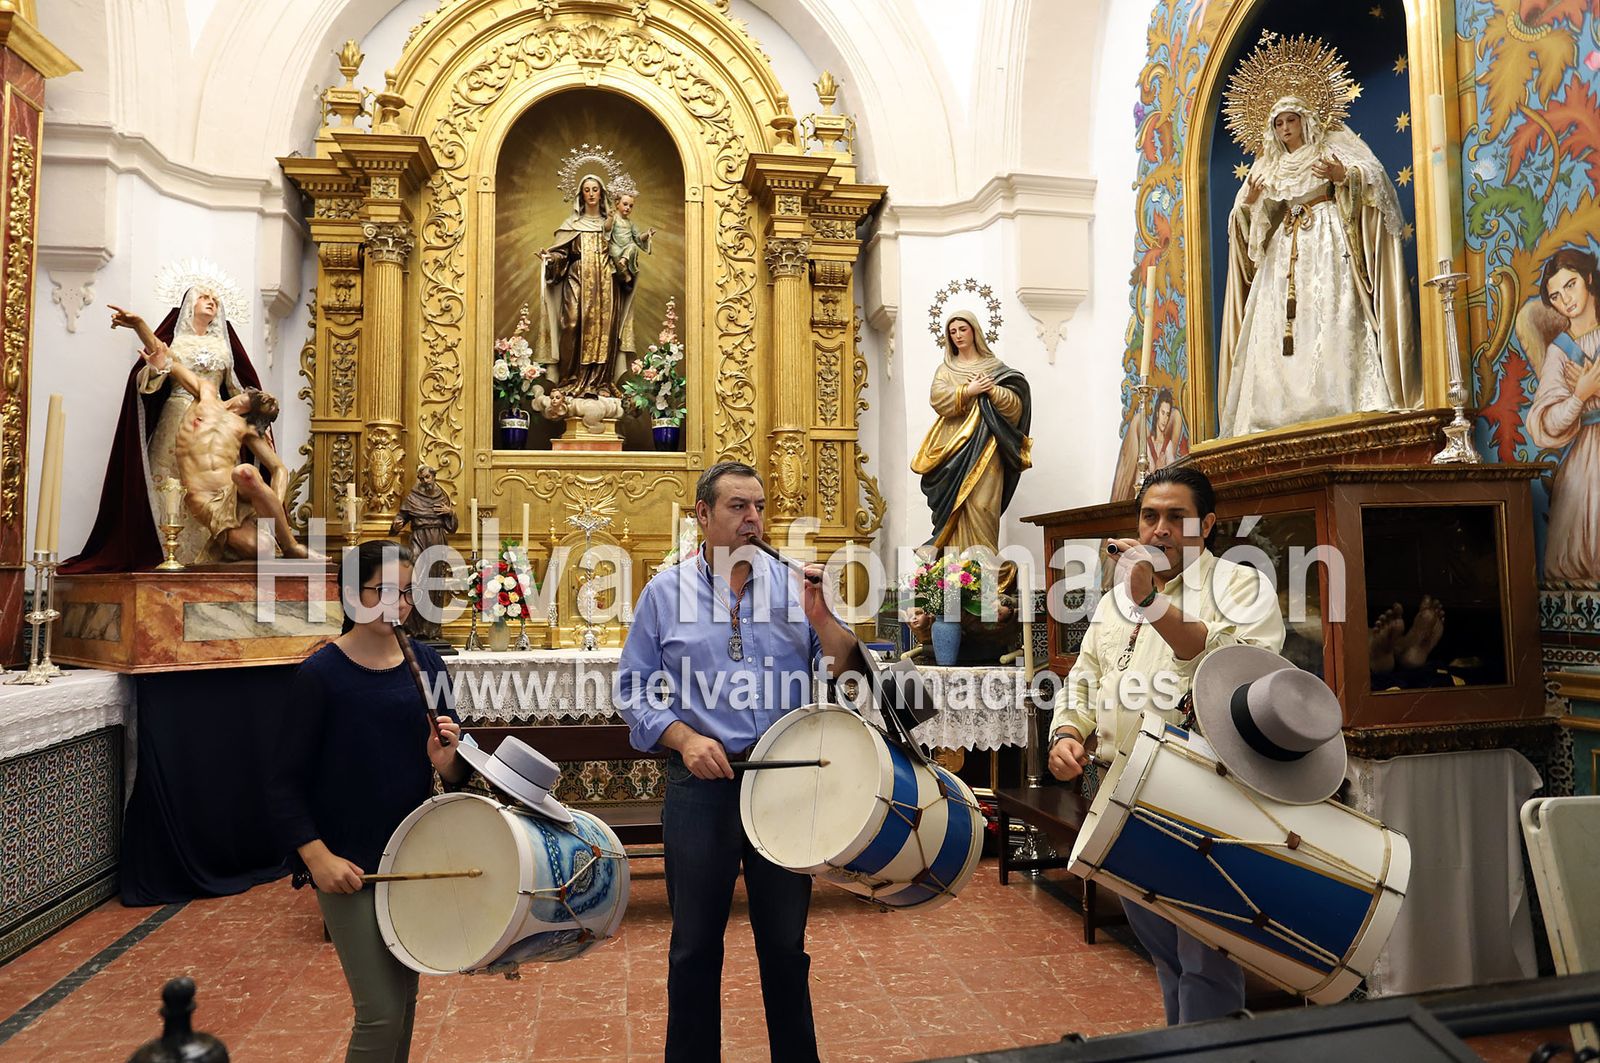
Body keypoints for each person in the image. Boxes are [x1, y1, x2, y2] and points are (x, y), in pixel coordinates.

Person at [614, 461, 864, 1063]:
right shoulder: (663, 593)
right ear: (702, 515)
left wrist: (823, 617)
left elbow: (849, 671)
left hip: (782, 786)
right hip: (701, 788)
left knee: (785, 945)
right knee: (695, 946)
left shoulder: (791, 587)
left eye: (758, 507)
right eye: (737, 507)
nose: (752, 518)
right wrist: (682, 739)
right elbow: (634, 688)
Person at [1048, 464, 1285, 1025]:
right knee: (1158, 943)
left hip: (1200, 793)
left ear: (1206, 525)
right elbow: (1084, 677)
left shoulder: (1239, 584)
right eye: (1149, 516)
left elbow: (1230, 670)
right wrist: (1066, 731)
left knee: (1204, 951)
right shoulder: (1114, 600)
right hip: (1120, 793)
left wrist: (1151, 599)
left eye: (1175, 517)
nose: (1159, 530)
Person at [265, 540, 468, 1062]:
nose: (397, 605)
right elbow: (281, 782)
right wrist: (318, 859)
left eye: (406, 594)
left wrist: (444, 756)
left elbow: (451, 768)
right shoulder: (320, 677)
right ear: (352, 594)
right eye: (384, 591)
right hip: (348, 864)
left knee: (404, 1005)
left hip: (409, 858)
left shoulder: (427, 665)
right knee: (379, 1013)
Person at [1217, 34, 1418, 437]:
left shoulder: (1333, 145)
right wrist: (1251, 202)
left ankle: (1337, 398)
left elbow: (1373, 179)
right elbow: (1243, 222)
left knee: (1329, 311)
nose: (1286, 128)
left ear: (1305, 120)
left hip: (1326, 238)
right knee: (1278, 329)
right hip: (1282, 251)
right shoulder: (1267, 164)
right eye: (1279, 123)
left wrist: (1343, 177)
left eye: (1291, 120)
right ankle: (1279, 409)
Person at [65, 286, 266, 571]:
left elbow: (237, 388)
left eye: (215, 300)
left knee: (215, 483)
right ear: (189, 304)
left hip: (214, 424)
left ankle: (215, 554)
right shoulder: (177, 342)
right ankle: (169, 552)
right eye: (204, 297)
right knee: (173, 484)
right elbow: (162, 359)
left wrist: (256, 419)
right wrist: (143, 337)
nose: (211, 302)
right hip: (177, 416)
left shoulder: (225, 347)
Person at [108, 305, 309, 561]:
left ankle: (289, 543)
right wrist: (139, 325)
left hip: (234, 493)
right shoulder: (205, 395)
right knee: (263, 551)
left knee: (245, 472)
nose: (266, 397)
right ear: (248, 392)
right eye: (264, 396)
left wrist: (271, 508)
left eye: (269, 402)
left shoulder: (245, 429)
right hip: (207, 502)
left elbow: (278, 468)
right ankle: (241, 544)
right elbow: (167, 357)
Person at [911, 311, 1033, 553]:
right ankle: (956, 569)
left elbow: (1015, 407)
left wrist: (992, 391)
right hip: (953, 447)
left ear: (974, 331)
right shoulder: (946, 369)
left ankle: (984, 566)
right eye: (952, 331)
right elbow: (937, 398)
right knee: (955, 503)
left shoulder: (996, 369)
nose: (957, 335)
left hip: (987, 446)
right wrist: (968, 390)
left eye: (962, 329)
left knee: (982, 504)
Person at [1527, 246, 1600, 581]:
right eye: (1555, 296)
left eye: (1570, 285)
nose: (1566, 299)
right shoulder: (1560, 352)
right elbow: (1547, 423)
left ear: (1587, 278)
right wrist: (1580, 396)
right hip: (1585, 464)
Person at [541, 174, 623, 397]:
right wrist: (552, 259)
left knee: (604, 329)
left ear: (601, 193)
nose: (591, 194)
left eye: (595, 189)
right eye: (586, 190)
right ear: (581, 194)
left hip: (605, 282)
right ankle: (571, 378)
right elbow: (561, 252)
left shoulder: (611, 225)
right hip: (577, 278)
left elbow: (624, 249)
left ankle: (599, 382)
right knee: (572, 324)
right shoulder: (571, 225)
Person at [388, 464, 459, 640]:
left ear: (433, 477)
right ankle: (413, 627)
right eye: (421, 478)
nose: (424, 481)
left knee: (435, 583)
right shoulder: (413, 496)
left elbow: (452, 527)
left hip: (436, 538)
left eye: (427, 477)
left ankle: (432, 630)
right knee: (416, 580)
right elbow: (402, 517)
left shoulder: (441, 495)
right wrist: (396, 524)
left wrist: (451, 513)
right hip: (418, 537)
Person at [609, 191, 654, 357]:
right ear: (617, 204)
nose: (628, 208)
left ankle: (625, 266)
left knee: (632, 247)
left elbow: (638, 238)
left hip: (627, 249)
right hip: (615, 249)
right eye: (625, 204)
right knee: (613, 250)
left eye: (631, 206)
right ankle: (623, 270)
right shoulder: (614, 219)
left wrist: (647, 235)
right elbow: (606, 231)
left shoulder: (630, 224)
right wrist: (608, 218)